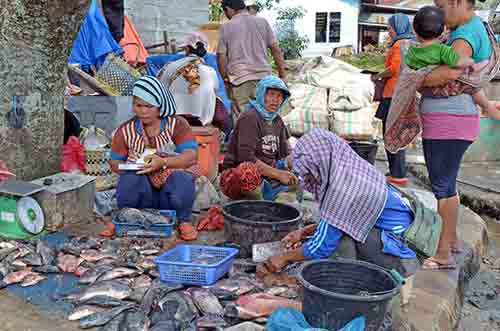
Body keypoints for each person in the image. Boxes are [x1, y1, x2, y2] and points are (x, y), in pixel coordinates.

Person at [264, 129, 418, 277]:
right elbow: (344, 219)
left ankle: (348, 284)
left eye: (308, 173)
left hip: (401, 256)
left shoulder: (340, 191)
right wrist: (303, 232)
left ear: (318, 165)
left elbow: (320, 248)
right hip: (403, 239)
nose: (307, 179)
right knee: (336, 233)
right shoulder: (349, 169)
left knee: (340, 245)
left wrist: (284, 257)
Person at [415, 0, 500, 269]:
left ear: (457, 2)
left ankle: (443, 254)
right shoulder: (476, 28)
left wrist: (414, 78)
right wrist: (486, 105)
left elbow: (447, 74)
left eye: (441, 5)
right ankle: (451, 241)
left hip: (447, 121)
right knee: (447, 184)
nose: (440, 13)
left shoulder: (463, 36)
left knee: (443, 188)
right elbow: (466, 79)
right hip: (456, 119)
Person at [109, 76, 200, 241]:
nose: (142, 111)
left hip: (170, 194)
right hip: (144, 195)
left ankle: (183, 220)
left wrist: (164, 162)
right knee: (129, 179)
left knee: (182, 178)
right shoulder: (125, 130)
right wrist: (131, 166)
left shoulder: (177, 124)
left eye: (148, 106)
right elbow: (114, 162)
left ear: (160, 106)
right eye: (138, 106)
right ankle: (127, 218)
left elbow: (191, 156)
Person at [407, 6, 499, 116]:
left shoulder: (412, 50)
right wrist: (470, 63)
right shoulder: (441, 49)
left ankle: (488, 107)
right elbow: (455, 63)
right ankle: (487, 106)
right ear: (443, 30)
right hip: (445, 96)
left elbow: (410, 68)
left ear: (415, 31)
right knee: (472, 87)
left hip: (427, 94)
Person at [220, 75, 298, 201]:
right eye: (271, 94)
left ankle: (270, 198)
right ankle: (254, 204)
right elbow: (246, 158)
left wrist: (294, 164)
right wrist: (278, 175)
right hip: (238, 175)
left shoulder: (277, 120)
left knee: (296, 176)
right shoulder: (250, 117)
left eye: (279, 96)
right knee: (247, 172)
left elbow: (285, 154)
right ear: (262, 94)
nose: (275, 100)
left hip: (267, 175)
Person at [217, 0, 287, 121]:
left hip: (240, 80)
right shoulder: (262, 22)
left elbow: (221, 57)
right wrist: (282, 74)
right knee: (266, 119)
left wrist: (225, 79)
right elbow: (275, 49)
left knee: (243, 122)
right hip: (264, 79)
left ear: (228, 9)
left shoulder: (226, 27)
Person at [372, 14, 414, 186]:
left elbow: (394, 68)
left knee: (391, 133)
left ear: (398, 27)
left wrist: (378, 75)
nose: (388, 31)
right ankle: (397, 171)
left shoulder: (399, 44)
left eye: (390, 28)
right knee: (397, 132)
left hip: (393, 94)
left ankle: (398, 174)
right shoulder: (410, 43)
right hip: (402, 93)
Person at [160, 32, 224, 128]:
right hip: (201, 122)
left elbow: (161, 90)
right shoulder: (210, 71)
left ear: (186, 49)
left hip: (174, 121)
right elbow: (215, 90)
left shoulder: (170, 66)